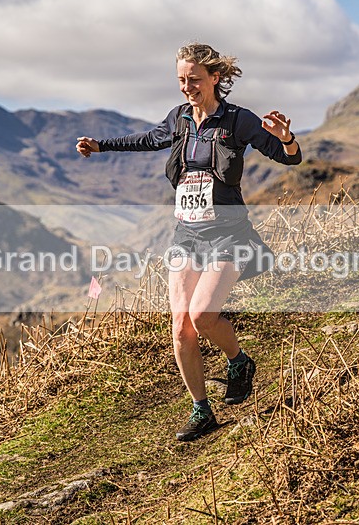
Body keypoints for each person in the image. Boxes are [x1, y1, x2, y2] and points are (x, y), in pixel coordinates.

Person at [76, 42, 301, 441]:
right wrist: (100, 144)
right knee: (181, 329)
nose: (187, 87)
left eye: (194, 79)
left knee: (202, 316)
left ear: (215, 78)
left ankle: (239, 362)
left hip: (229, 235)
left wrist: (287, 139)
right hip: (187, 235)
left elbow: (288, 159)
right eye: (181, 79)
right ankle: (201, 410)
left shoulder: (238, 120)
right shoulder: (179, 119)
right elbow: (148, 139)